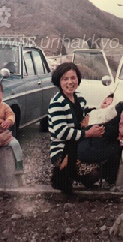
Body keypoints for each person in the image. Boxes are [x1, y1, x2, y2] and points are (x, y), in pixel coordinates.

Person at [48, 62, 105, 194]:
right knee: (94, 175)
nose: (70, 82)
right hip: (63, 151)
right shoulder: (57, 103)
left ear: (78, 79)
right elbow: (62, 132)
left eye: (73, 78)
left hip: (80, 147)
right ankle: (63, 172)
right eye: (65, 79)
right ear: (59, 81)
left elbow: (87, 119)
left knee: (106, 164)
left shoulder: (80, 99)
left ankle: (73, 171)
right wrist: (88, 134)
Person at [77, 93, 123, 187]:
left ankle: (105, 177)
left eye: (111, 101)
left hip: (100, 146)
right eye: (105, 99)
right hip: (87, 147)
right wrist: (88, 129)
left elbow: (110, 130)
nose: (107, 100)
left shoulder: (113, 116)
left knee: (113, 150)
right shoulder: (92, 113)